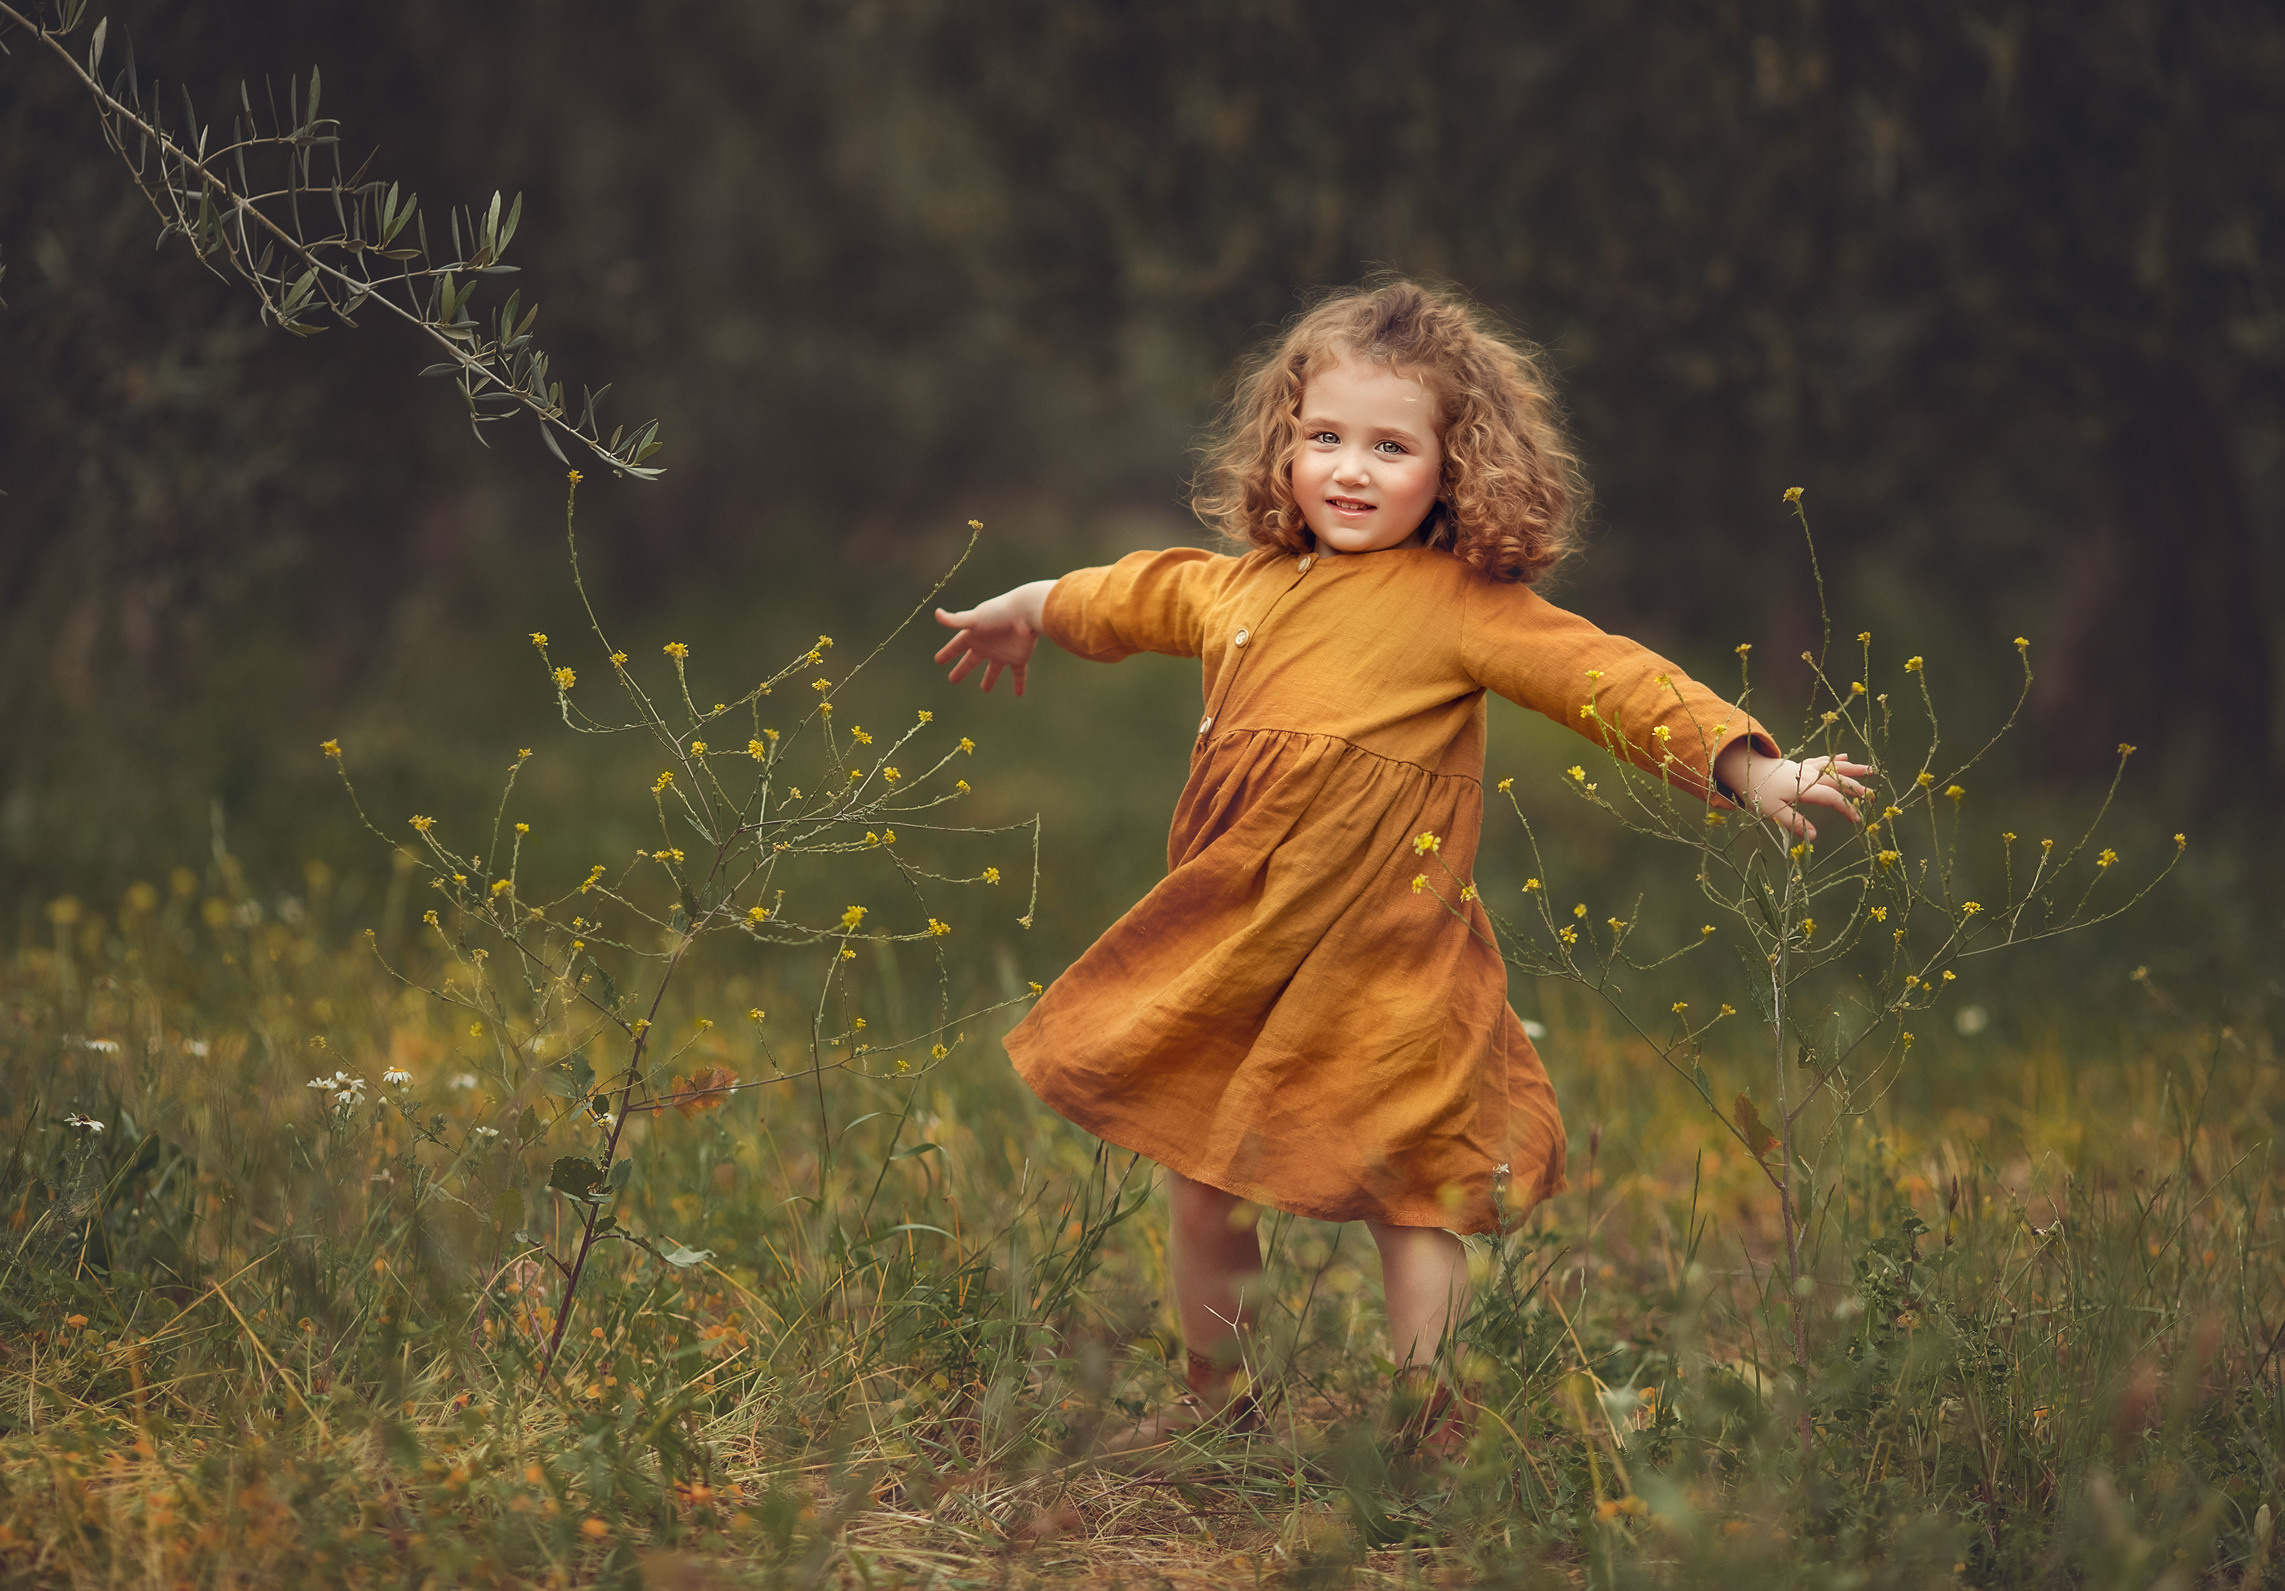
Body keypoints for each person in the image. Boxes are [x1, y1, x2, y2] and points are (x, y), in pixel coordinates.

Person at [931, 279, 1868, 1452]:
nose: (1349, 470)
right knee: (1196, 1170)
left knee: (1412, 1186)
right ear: (1283, 446)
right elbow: (1125, 594)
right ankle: (1219, 1403)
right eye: (1322, 438)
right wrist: (1025, 606)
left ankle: (1427, 1419)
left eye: (1389, 445)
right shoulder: (1241, 585)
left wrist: (1747, 768)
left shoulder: (1457, 605)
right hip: (1237, 941)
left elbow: (1607, 678)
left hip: (1387, 948)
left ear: (1453, 466)